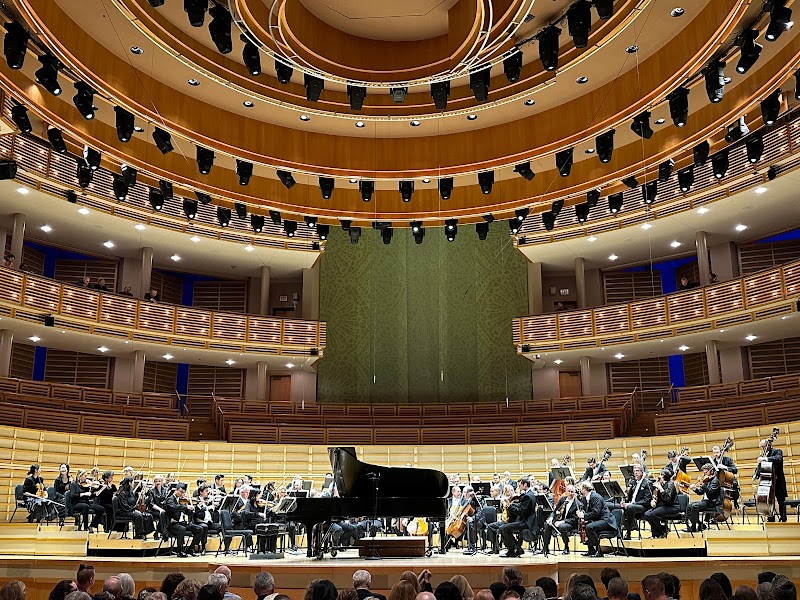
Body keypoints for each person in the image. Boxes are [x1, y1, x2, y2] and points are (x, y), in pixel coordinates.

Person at [577, 480, 615, 557]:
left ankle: (599, 551)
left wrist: (584, 516)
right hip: (599, 519)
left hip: (606, 520)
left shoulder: (595, 497)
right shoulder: (586, 498)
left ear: (584, 489)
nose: (579, 490)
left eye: (580, 488)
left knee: (589, 527)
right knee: (585, 525)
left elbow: (596, 513)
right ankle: (591, 550)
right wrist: (583, 517)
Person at [164, 483, 204, 556]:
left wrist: (196, 507)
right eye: (180, 491)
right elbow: (174, 507)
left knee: (199, 529)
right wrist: (186, 507)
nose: (182, 494)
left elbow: (188, 513)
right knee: (182, 529)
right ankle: (179, 551)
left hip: (182, 523)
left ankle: (190, 549)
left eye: (183, 492)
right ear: (176, 490)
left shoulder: (182, 501)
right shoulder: (170, 499)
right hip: (172, 524)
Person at [499, 478, 534, 557]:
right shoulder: (530, 494)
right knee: (503, 527)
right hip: (526, 520)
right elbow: (521, 507)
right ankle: (516, 548)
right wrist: (511, 505)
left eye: (520, 485)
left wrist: (509, 506)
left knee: (503, 528)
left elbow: (521, 512)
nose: (519, 487)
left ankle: (513, 549)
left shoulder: (528, 496)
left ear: (525, 485)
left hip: (526, 522)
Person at [755, 437, 787, 522]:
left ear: (768, 445)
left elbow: (778, 459)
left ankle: (783, 518)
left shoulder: (777, 451)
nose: (763, 449)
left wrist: (766, 459)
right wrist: (756, 474)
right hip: (768, 483)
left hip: (778, 481)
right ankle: (770, 518)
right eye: (761, 447)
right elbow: (760, 467)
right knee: (768, 500)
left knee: (781, 501)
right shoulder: (763, 455)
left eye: (763, 446)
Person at [541, 484, 579, 556]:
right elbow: (555, 511)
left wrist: (562, 522)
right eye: (569, 491)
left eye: (572, 492)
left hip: (570, 523)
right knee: (548, 525)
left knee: (562, 527)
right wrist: (551, 518)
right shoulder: (562, 499)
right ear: (566, 491)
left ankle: (566, 547)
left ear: (574, 492)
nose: (570, 493)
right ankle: (546, 547)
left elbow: (575, 519)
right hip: (559, 520)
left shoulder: (577, 503)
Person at [685, 463, 721, 532]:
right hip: (705, 501)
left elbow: (710, 494)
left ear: (712, 471)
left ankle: (693, 527)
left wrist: (703, 485)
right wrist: (695, 489)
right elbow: (700, 492)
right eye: (704, 472)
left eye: (706, 472)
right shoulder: (707, 480)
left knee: (695, 506)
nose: (704, 474)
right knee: (689, 506)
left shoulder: (715, 481)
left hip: (712, 502)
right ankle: (700, 524)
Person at [619, 465, 652, 539]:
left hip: (643, 506)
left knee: (630, 507)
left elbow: (647, 500)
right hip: (633, 505)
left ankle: (628, 533)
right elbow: (628, 496)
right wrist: (624, 501)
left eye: (637, 471)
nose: (636, 473)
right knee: (619, 507)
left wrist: (632, 504)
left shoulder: (647, 483)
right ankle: (619, 532)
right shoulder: (633, 482)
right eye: (634, 471)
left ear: (642, 472)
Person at [644, 469, 679, 538]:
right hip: (664, 506)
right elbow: (658, 498)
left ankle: (659, 533)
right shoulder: (662, 484)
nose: (659, 476)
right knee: (647, 514)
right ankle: (660, 531)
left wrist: (661, 489)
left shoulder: (670, 484)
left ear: (663, 476)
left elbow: (667, 499)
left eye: (660, 475)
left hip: (672, 507)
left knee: (653, 514)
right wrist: (654, 501)